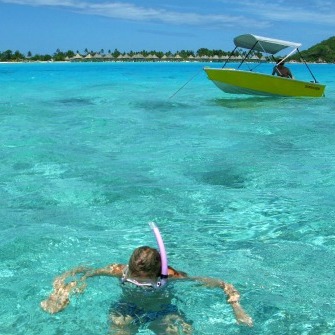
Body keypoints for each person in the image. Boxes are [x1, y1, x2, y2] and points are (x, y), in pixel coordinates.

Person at [41, 223, 253, 334]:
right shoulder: (120, 270)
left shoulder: (171, 276)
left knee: (180, 330)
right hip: (127, 309)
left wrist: (236, 306)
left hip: (163, 311)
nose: (139, 285)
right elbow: (83, 271)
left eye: (146, 283)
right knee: (118, 324)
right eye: (134, 281)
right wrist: (61, 291)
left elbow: (223, 284)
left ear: (159, 275)